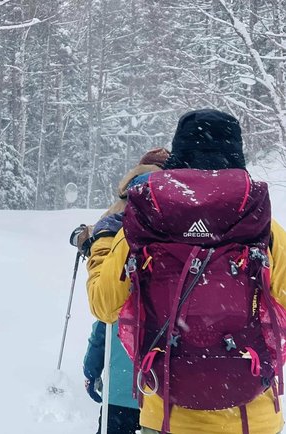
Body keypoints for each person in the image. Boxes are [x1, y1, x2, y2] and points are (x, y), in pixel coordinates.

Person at [84, 109, 286, 434]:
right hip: (253, 418)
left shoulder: (145, 224)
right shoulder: (263, 230)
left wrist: (102, 246)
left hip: (167, 416)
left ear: (178, 157)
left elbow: (104, 305)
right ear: (237, 157)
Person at [72, 148, 170, 434]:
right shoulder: (178, 208)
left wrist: (93, 363)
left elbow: (106, 310)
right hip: (168, 379)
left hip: (122, 369)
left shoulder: (124, 204)